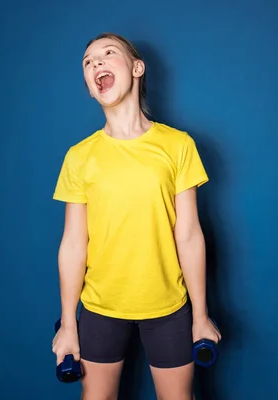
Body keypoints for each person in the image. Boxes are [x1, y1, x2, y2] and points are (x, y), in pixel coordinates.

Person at [51, 32, 221, 400]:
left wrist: (200, 315)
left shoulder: (178, 145)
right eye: (87, 61)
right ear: (91, 88)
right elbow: (73, 244)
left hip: (168, 307)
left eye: (108, 53)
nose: (96, 62)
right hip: (100, 308)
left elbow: (189, 234)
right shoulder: (79, 157)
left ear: (137, 68)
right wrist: (68, 324)